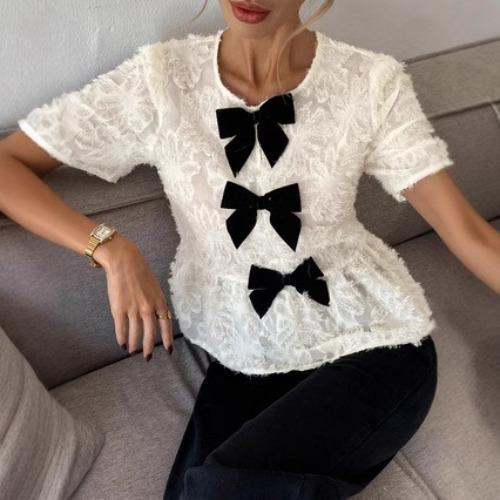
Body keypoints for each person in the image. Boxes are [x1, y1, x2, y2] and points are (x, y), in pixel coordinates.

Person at [1, 0, 499, 499]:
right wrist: (110, 248)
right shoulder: (159, 80)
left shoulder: (370, 82)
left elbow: (470, 234)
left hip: (372, 337)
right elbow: (7, 165)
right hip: (242, 344)